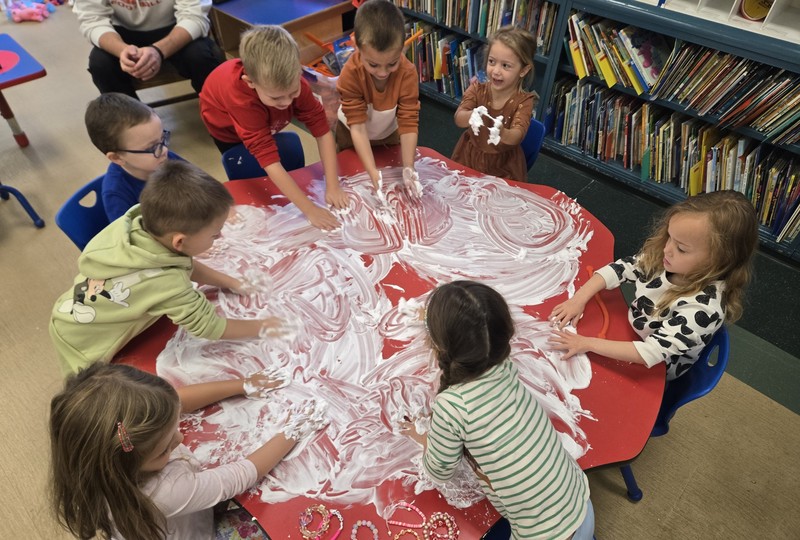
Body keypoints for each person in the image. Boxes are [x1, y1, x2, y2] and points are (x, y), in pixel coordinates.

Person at [49, 160, 282, 375]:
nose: (220, 236)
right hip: (85, 342)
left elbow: (183, 264)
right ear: (179, 242)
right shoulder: (165, 281)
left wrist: (232, 283)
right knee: (96, 399)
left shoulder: (133, 225)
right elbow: (209, 327)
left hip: (69, 308)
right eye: (214, 234)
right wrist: (265, 326)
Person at [401, 281, 594, 540]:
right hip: (582, 507)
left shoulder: (452, 406)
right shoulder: (503, 363)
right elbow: (476, 331)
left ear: (439, 347)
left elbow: (439, 470)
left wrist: (421, 435)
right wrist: (436, 322)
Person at [49, 362, 321, 540]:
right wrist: (292, 432)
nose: (180, 438)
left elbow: (177, 400)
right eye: (165, 449)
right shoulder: (163, 491)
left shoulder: (96, 452)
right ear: (129, 464)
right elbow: (237, 477)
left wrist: (243, 385)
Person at [549, 190, 759, 381]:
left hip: (654, 370)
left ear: (718, 261)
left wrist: (585, 343)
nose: (667, 249)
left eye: (682, 248)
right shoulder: (669, 259)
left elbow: (650, 353)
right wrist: (578, 300)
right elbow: (622, 268)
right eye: (669, 236)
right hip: (633, 335)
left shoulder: (702, 310)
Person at [200, 25, 346, 232]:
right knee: (246, 165)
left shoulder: (294, 84)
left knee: (285, 151)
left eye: (292, 92)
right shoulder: (242, 102)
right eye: (276, 97)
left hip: (264, 120)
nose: (286, 102)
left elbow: (322, 131)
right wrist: (309, 210)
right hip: (226, 129)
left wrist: (333, 185)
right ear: (250, 82)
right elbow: (267, 158)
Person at [336, 0, 421, 194]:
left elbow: (408, 122)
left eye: (392, 64)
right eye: (373, 65)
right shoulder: (351, 73)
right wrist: (372, 171)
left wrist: (408, 166)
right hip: (351, 135)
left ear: (402, 48)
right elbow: (357, 126)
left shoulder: (407, 73)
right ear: (357, 46)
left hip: (388, 134)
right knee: (353, 180)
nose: (383, 73)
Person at [73, 0, 223, 98]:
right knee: (100, 64)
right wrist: (122, 50)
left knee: (201, 56)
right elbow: (92, 20)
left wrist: (158, 50)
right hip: (121, 34)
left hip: (176, 27)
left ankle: (223, 124)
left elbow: (195, 16)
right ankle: (133, 128)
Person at [451, 26, 540, 182]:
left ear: (523, 71)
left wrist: (502, 132)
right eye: (492, 62)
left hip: (504, 168)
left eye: (505, 65)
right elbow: (458, 118)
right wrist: (471, 116)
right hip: (469, 158)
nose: (496, 71)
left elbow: (517, 136)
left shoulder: (524, 102)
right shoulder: (477, 89)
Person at [85, 92, 182, 222]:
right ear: (117, 158)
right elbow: (129, 239)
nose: (164, 150)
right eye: (151, 148)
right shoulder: (117, 195)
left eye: (162, 138)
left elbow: (202, 187)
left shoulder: (165, 158)